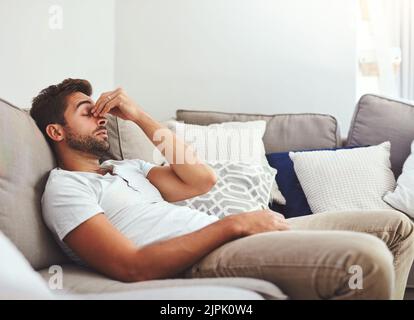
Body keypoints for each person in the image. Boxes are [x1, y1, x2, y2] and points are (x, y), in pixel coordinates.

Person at [30, 78, 414, 299]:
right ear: (56, 132)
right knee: (368, 259)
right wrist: (235, 225)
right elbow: (131, 266)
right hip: (207, 255)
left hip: (235, 235)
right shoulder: (65, 189)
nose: (99, 116)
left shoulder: (125, 169)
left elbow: (201, 179)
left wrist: (137, 115)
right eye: (85, 110)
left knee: (398, 228)